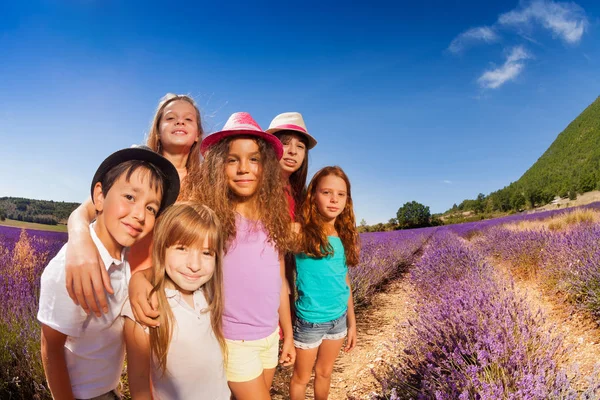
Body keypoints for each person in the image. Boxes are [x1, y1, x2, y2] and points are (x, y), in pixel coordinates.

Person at [129, 112, 296, 400]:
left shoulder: (273, 219)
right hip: (234, 339)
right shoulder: (214, 218)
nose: (244, 168)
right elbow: (176, 257)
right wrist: (139, 279)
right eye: (233, 160)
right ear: (219, 165)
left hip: (269, 337)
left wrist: (288, 334)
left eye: (254, 159)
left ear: (266, 166)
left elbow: (279, 280)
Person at [38, 146, 180, 400]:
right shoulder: (70, 269)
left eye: (151, 208)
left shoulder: (125, 255)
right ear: (100, 198)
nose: (139, 215)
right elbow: (51, 348)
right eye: (130, 197)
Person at [64, 94, 203, 317]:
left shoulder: (205, 184)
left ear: (198, 135)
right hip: (124, 283)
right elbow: (85, 210)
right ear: (157, 131)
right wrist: (79, 243)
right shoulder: (137, 169)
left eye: (188, 119)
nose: (180, 122)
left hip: (177, 290)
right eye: (170, 118)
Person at [123, 202, 230, 399]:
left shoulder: (206, 293)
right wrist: (138, 278)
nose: (195, 265)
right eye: (182, 248)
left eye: (206, 253)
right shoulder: (146, 308)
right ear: (161, 249)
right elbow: (139, 386)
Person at [289, 166, 360, 400]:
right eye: (326, 192)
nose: (334, 199)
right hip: (310, 320)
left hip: (338, 320)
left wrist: (352, 322)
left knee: (325, 373)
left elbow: (344, 280)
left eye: (341, 194)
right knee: (300, 378)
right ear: (313, 195)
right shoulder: (300, 231)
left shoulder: (342, 233)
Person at [266, 112, 317, 218]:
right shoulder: (256, 187)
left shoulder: (302, 196)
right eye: (285, 143)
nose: (293, 151)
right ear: (270, 147)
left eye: (300, 146)